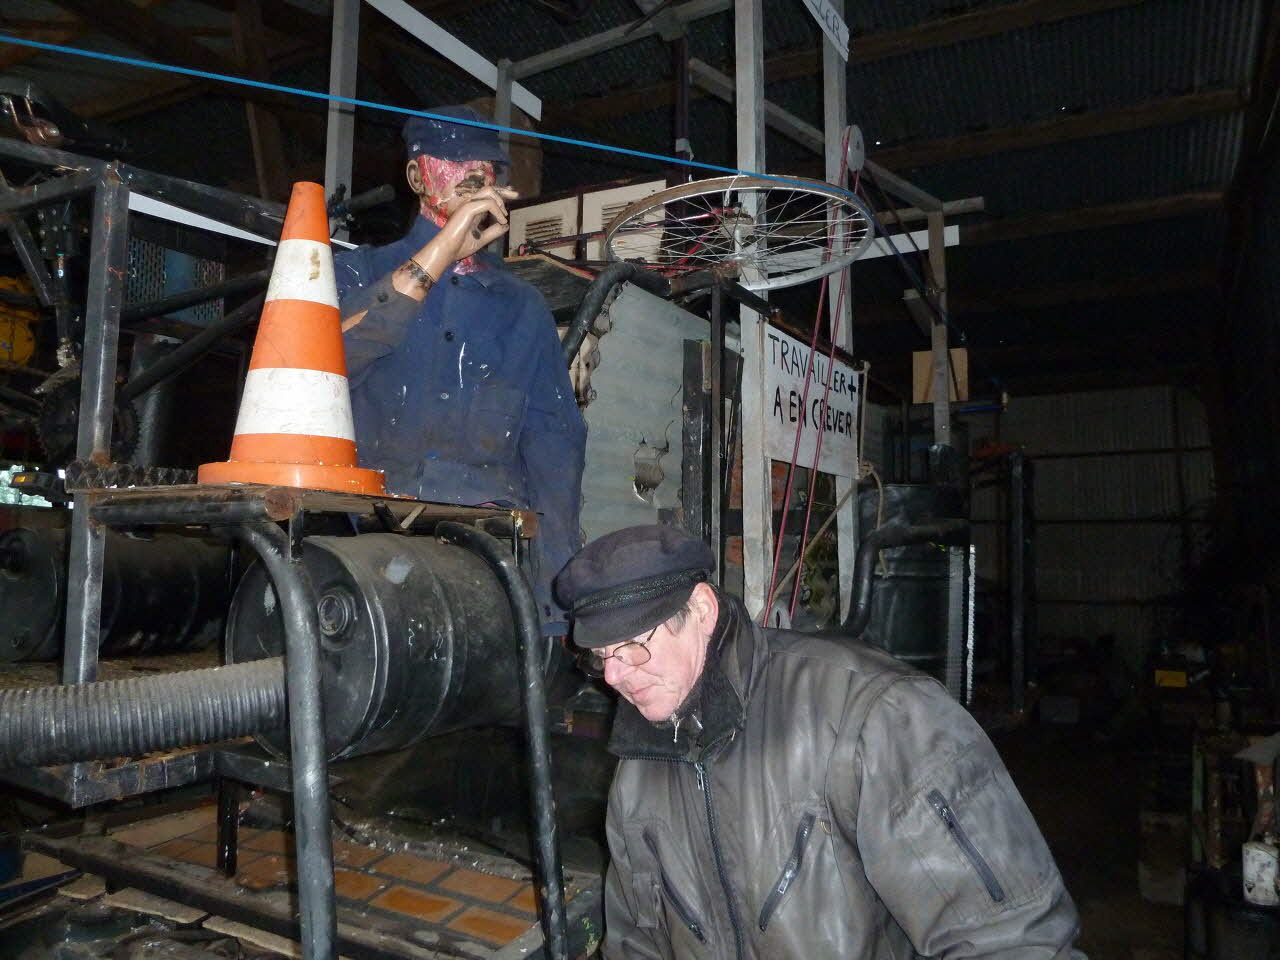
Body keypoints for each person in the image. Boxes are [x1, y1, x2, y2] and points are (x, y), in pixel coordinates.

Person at [556, 524, 1082, 959]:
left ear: (701, 611)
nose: (615, 677)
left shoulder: (871, 714)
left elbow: (1012, 938)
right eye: (601, 656)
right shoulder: (637, 770)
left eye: (632, 646)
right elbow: (637, 946)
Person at [335, 106, 586, 634]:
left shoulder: (523, 308)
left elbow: (555, 446)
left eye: (485, 166)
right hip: (367, 544)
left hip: (486, 554)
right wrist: (445, 247)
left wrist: (555, 603)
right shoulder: (357, 271)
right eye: (453, 162)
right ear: (416, 176)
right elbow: (332, 362)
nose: (473, 175)